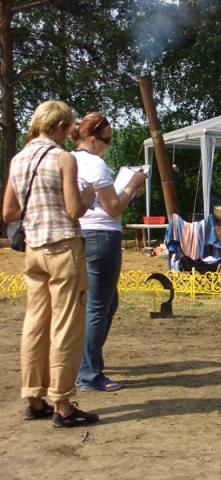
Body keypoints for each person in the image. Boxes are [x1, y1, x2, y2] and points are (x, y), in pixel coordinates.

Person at [2, 100, 99, 428]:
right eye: (69, 127)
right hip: (63, 248)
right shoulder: (63, 158)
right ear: (59, 126)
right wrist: (87, 199)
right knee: (66, 324)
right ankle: (63, 403)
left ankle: (34, 398)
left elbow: (9, 213)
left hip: (33, 249)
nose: (70, 132)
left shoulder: (19, 158)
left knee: (36, 323)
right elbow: (73, 210)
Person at [72, 112, 147, 392]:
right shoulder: (95, 164)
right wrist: (133, 183)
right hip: (103, 236)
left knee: (106, 303)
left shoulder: (70, 160)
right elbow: (113, 208)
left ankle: (85, 362)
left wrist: (129, 192)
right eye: (106, 140)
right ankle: (88, 372)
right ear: (92, 139)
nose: (108, 145)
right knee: (97, 307)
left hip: (82, 234)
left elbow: (101, 201)